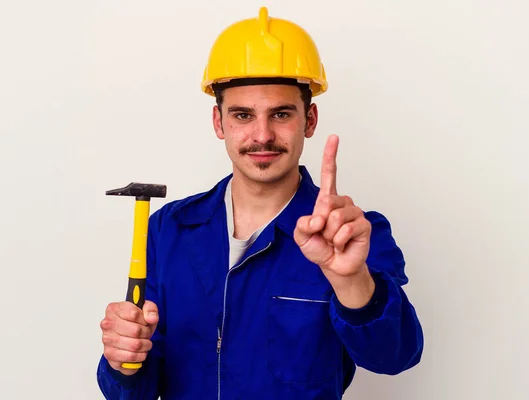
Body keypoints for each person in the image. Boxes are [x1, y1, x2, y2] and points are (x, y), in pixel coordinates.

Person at [97, 7, 423, 399]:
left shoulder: (352, 236)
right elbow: (138, 390)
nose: (262, 134)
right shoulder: (170, 228)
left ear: (310, 120)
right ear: (219, 123)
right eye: (243, 115)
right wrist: (123, 360)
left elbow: (394, 357)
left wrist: (351, 280)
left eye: (281, 114)